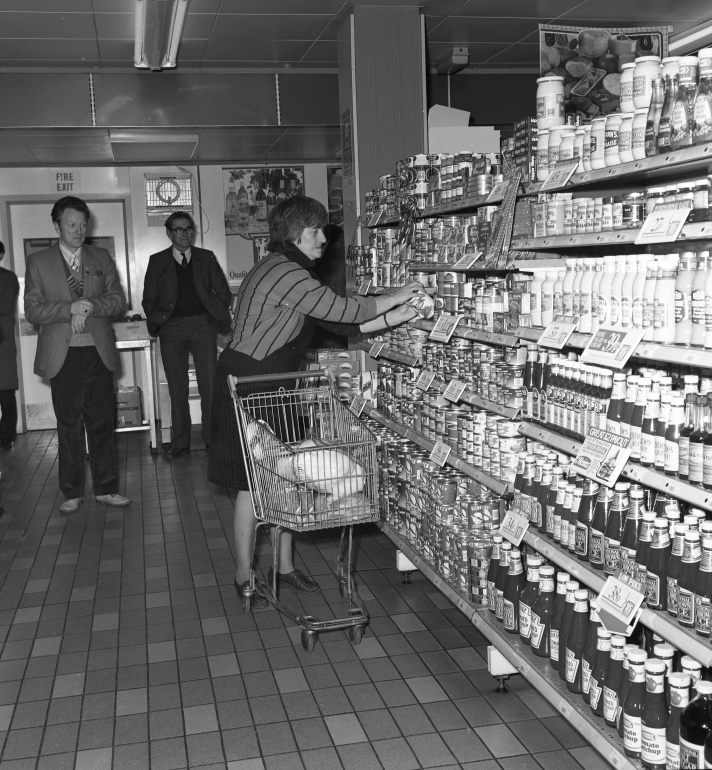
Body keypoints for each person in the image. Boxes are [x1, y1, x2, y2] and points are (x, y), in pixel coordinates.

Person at [208, 195, 422, 608]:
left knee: (287, 474)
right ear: (295, 234)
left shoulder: (285, 270)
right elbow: (340, 308)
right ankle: (243, 575)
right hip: (252, 383)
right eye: (316, 230)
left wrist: (397, 316)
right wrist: (397, 295)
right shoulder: (285, 272)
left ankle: (284, 567)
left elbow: (337, 318)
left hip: (277, 382)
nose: (323, 237)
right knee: (254, 484)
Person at [24, 196, 130, 514]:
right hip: (63, 353)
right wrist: (68, 307)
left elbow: (118, 301)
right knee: (68, 423)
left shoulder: (100, 257)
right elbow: (33, 310)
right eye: (71, 224)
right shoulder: (39, 262)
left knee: (102, 422)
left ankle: (107, 489)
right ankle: (71, 491)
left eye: (83, 224)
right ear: (57, 226)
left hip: (98, 351)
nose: (78, 230)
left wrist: (91, 306)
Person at [142, 211, 232, 460]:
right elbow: (148, 299)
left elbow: (224, 294)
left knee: (209, 386)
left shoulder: (206, 257)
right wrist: (161, 320)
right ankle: (180, 442)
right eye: (179, 230)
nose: (185, 234)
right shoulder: (157, 261)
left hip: (203, 326)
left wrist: (213, 316)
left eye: (189, 229)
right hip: (171, 328)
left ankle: (213, 441)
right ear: (169, 233)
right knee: (177, 388)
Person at [0, 240, 19, 451]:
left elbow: (5, 306)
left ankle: (6, 437)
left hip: (2, 344)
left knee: (5, 395)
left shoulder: (7, 278)